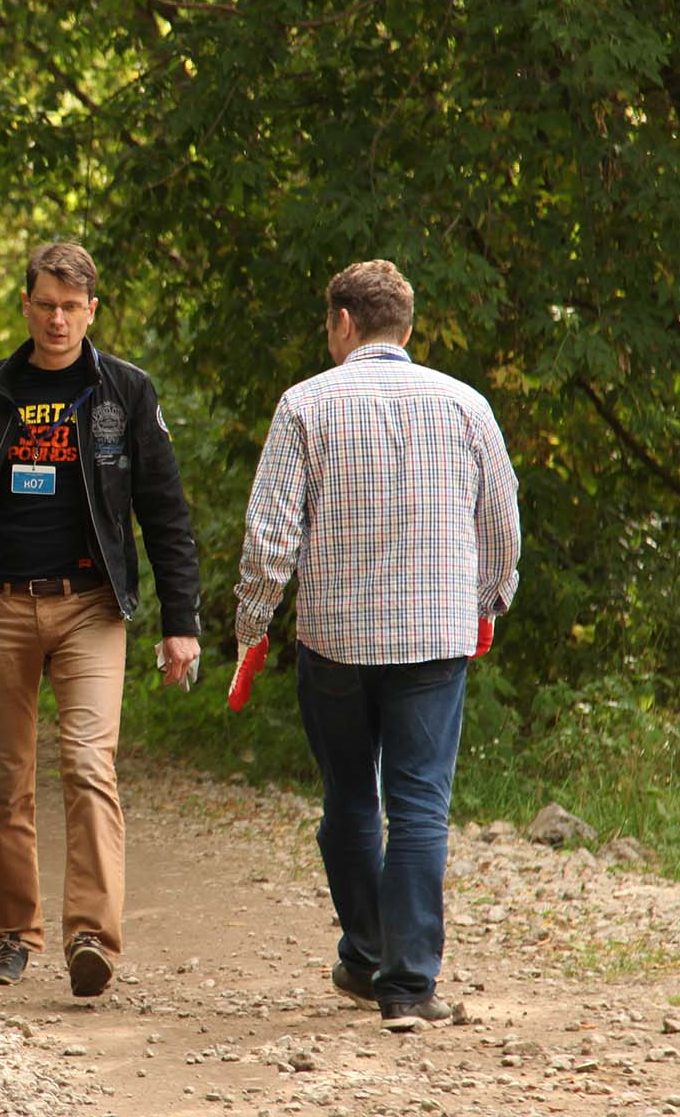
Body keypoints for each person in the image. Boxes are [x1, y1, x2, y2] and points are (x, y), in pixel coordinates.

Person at [0, 240, 203, 995]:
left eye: (72, 306)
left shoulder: (125, 391)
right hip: (0, 607)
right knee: (6, 780)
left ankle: (93, 938)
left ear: (92, 310)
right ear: (26, 306)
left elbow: (165, 512)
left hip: (91, 609)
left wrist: (181, 620)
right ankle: (11, 934)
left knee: (90, 768)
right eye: (45, 304)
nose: (58, 318)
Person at [228, 259, 521, 1033]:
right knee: (420, 803)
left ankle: (364, 956)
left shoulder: (305, 406)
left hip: (336, 641)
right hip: (433, 639)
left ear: (343, 323)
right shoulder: (465, 405)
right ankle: (409, 985)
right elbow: (502, 522)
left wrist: (252, 628)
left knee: (351, 798)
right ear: (406, 327)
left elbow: (269, 539)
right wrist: (490, 600)